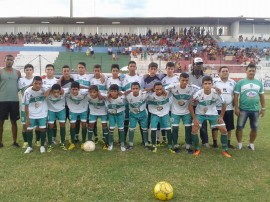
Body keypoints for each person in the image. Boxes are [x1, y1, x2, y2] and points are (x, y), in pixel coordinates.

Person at [189, 76, 231, 158]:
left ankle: (225, 150)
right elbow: (190, 105)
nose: (207, 85)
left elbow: (224, 103)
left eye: (209, 83)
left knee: (224, 129)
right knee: (194, 128)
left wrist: (221, 116)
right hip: (200, 114)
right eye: (205, 84)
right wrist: (194, 118)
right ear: (202, 85)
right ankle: (197, 149)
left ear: (212, 84)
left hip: (213, 114)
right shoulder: (198, 93)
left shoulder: (216, 93)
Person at [165, 73, 199, 154]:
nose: (184, 82)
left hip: (186, 112)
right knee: (175, 129)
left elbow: (201, 90)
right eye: (182, 80)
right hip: (175, 112)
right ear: (179, 80)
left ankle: (188, 146)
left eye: (186, 80)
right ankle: (175, 145)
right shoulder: (173, 87)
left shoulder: (192, 87)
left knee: (188, 129)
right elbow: (164, 88)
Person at [234, 63, 265, 150]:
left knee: (254, 128)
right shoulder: (240, 82)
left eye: (253, 71)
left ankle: (251, 144)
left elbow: (262, 96)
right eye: (250, 71)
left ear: (255, 72)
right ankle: (239, 144)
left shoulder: (259, 83)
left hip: (255, 110)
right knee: (239, 127)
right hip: (243, 109)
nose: (251, 72)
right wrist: (236, 107)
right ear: (246, 71)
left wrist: (263, 108)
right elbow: (236, 96)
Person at [212, 66, 236, 148]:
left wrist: (235, 104)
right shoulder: (214, 82)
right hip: (216, 108)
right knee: (215, 126)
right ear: (219, 73)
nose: (225, 72)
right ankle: (215, 143)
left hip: (229, 108)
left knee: (229, 126)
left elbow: (235, 95)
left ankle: (228, 143)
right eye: (223, 71)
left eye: (226, 71)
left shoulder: (232, 82)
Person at [0, 55, 21, 148]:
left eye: (11, 60)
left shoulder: (18, 73)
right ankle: (0, 142)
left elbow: (20, 85)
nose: (9, 61)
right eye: (7, 59)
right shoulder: (0, 72)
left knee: (14, 121)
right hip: (2, 100)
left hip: (14, 100)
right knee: (0, 122)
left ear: (13, 61)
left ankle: (15, 142)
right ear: (5, 60)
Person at [188, 57, 209, 147]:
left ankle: (205, 141)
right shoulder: (188, 76)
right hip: (190, 103)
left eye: (200, 64)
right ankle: (189, 141)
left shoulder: (205, 77)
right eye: (197, 64)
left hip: (201, 103)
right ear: (193, 65)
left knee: (203, 123)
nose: (199, 66)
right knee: (189, 123)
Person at [23, 76, 48, 154]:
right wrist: (27, 119)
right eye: (35, 83)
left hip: (42, 113)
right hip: (31, 114)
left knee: (42, 129)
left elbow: (52, 90)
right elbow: (26, 106)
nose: (37, 85)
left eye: (39, 83)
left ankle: (42, 146)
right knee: (29, 129)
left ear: (42, 84)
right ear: (32, 83)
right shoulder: (27, 92)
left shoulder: (44, 89)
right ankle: (30, 147)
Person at [147, 82, 173, 153]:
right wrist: (149, 89)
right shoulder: (151, 96)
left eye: (160, 89)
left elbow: (172, 86)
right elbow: (142, 92)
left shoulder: (166, 94)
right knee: (153, 129)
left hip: (165, 114)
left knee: (168, 129)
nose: (159, 91)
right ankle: (154, 146)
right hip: (154, 114)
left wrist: (164, 89)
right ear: (154, 89)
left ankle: (170, 146)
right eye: (157, 89)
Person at [126, 82, 150, 150]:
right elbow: (120, 94)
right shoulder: (127, 95)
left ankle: (146, 144)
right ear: (131, 89)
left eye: (137, 88)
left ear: (139, 89)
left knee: (144, 129)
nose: (135, 90)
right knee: (131, 129)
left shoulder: (143, 94)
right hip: (133, 114)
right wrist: (125, 92)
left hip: (143, 114)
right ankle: (130, 144)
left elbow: (153, 89)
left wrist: (148, 89)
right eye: (133, 88)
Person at [66, 81, 89, 150]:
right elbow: (57, 88)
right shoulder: (67, 92)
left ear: (79, 89)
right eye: (73, 89)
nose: (74, 91)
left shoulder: (83, 92)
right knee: (72, 125)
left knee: (84, 124)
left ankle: (83, 142)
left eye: (76, 89)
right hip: (73, 111)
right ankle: (72, 143)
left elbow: (93, 89)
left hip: (83, 110)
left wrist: (84, 87)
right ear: (70, 89)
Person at [45, 84, 68, 152]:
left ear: (60, 91)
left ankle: (62, 143)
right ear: (52, 91)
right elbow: (45, 95)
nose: (56, 94)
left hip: (61, 110)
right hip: (51, 110)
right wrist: (50, 89)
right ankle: (49, 144)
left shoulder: (64, 91)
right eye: (54, 92)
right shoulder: (48, 93)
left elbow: (70, 88)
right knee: (50, 126)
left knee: (62, 125)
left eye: (58, 92)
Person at [87, 85, 109, 149]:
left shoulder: (103, 95)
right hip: (93, 112)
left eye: (94, 92)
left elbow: (109, 96)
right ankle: (89, 142)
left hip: (103, 112)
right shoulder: (87, 95)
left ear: (97, 92)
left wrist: (101, 95)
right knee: (91, 125)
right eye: (90, 92)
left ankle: (106, 143)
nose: (92, 94)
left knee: (104, 125)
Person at [18, 64, 34, 148]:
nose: (28, 71)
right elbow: (23, 92)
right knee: (25, 124)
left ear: (33, 71)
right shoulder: (21, 80)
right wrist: (30, 85)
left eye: (30, 69)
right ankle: (26, 142)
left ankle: (38, 141)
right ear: (24, 71)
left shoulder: (35, 80)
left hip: (34, 106)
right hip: (24, 106)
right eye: (27, 70)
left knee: (36, 125)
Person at [106, 84, 126, 152]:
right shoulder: (107, 98)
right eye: (111, 91)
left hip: (120, 115)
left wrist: (122, 93)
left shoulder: (122, 98)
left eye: (115, 91)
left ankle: (122, 144)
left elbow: (128, 93)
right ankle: (110, 143)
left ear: (118, 91)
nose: (113, 93)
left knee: (121, 128)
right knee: (111, 128)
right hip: (111, 114)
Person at [43, 64, 58, 144]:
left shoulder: (56, 81)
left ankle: (53, 138)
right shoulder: (42, 81)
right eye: (48, 69)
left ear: (53, 71)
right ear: (45, 70)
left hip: (53, 105)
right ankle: (44, 139)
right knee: (45, 122)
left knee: (53, 123)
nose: (49, 71)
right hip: (44, 105)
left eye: (51, 69)